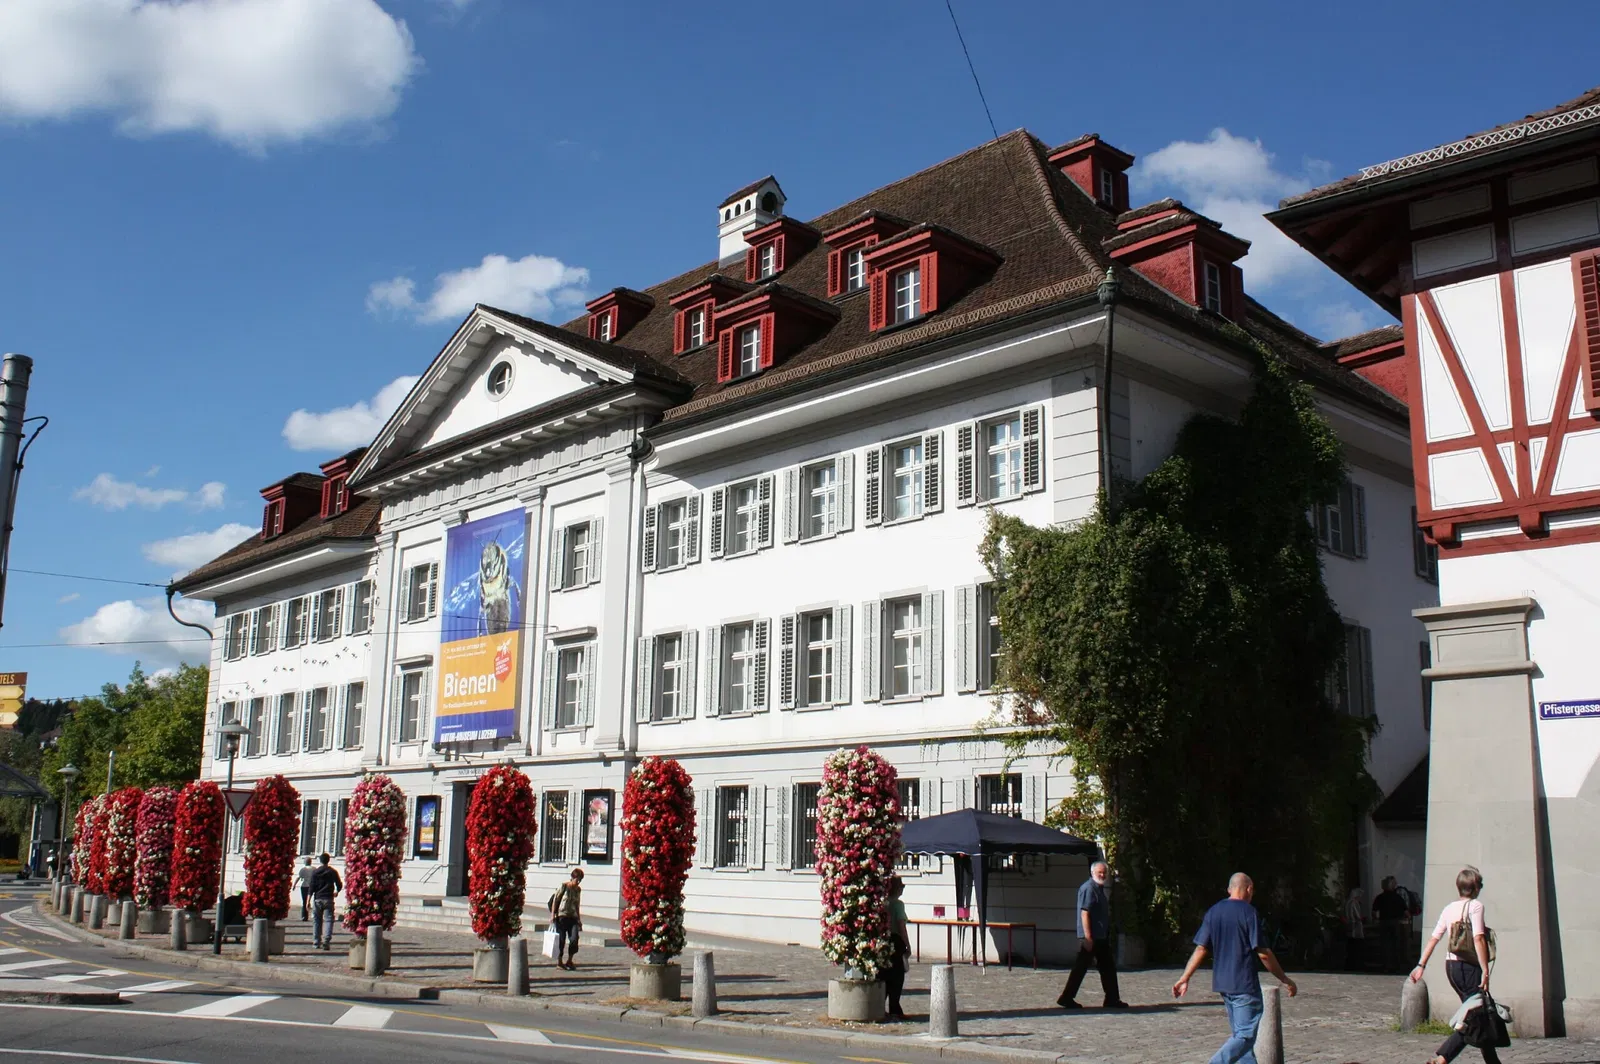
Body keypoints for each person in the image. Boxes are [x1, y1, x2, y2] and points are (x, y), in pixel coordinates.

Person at [1173, 873, 1298, 1064]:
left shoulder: (1214, 911)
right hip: (1244, 984)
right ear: (1249, 889)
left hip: (1223, 984)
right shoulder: (1248, 912)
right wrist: (1284, 979)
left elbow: (1201, 948)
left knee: (1242, 1042)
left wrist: (1185, 977)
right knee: (1245, 1037)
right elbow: (1263, 953)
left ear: (1229, 889)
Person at [1412, 866, 1499, 1064]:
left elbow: (1434, 938)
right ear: (1475, 887)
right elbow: (1478, 938)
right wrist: (1485, 970)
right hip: (1468, 967)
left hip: (1452, 967)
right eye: (1480, 885)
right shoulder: (1476, 906)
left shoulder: (1449, 908)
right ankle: (1442, 1058)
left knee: (1478, 1015)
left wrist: (1421, 965)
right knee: (1475, 1016)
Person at [1058, 860, 1129, 1009]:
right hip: (1092, 937)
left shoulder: (1098, 889)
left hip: (1100, 936)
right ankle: (1066, 997)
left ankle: (1111, 998)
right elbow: (1085, 913)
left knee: (1107, 967)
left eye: (1104, 872)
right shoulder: (1089, 888)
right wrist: (1088, 937)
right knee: (1081, 968)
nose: (1102, 875)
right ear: (1092, 873)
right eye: (1099, 872)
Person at [882, 876, 909, 1020]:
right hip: (896, 940)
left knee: (884, 975)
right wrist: (907, 944)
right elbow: (901, 925)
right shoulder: (898, 904)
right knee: (897, 977)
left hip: (884, 941)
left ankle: (881, 1006)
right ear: (897, 889)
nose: (902, 890)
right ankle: (895, 1008)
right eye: (901, 887)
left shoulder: (883, 903)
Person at [1372, 876, 1410, 973]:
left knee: (1385, 944)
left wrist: (1376, 920)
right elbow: (1406, 912)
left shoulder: (1380, 897)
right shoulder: (1398, 898)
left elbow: (1374, 912)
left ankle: (1386, 965)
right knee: (1396, 944)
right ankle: (1396, 964)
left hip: (1384, 922)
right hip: (1396, 923)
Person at [549, 868, 584, 970]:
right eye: (577, 879)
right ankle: (559, 962)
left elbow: (577, 905)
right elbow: (555, 900)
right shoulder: (564, 886)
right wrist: (552, 915)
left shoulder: (578, 890)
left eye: (580, 880)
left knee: (574, 938)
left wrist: (579, 919)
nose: (578, 882)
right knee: (561, 939)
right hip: (561, 916)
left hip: (572, 917)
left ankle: (569, 960)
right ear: (572, 878)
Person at [309, 853, 342, 951]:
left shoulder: (315, 872)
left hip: (318, 898)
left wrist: (308, 900)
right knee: (328, 920)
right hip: (328, 898)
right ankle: (326, 941)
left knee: (317, 921)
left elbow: (311, 887)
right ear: (328, 860)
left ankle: (316, 941)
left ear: (320, 860)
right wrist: (337, 891)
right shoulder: (332, 871)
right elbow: (339, 884)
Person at [1343, 886, 1366, 970]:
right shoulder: (1354, 903)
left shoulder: (1347, 902)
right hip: (1355, 927)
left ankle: (1350, 964)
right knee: (1357, 946)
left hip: (1349, 926)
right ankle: (1357, 964)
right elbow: (1357, 916)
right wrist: (1362, 918)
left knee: (1350, 946)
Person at [296, 857, 315, 921]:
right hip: (312, 886)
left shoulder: (303, 869)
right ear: (310, 862)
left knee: (304, 901)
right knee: (313, 900)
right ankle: (313, 914)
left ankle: (304, 916)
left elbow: (298, 877)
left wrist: (294, 885)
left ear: (305, 862)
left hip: (304, 886)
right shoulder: (314, 869)